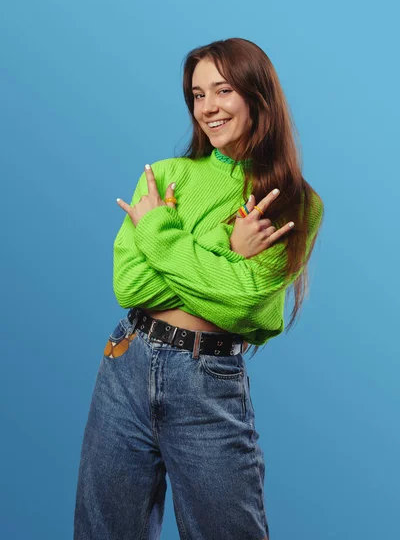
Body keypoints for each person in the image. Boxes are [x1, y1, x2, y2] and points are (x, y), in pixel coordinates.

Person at [73, 37, 324, 540]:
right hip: (126, 362)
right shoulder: (165, 175)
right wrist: (229, 247)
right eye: (196, 94)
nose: (207, 107)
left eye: (222, 90)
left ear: (258, 96)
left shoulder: (293, 202)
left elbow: (246, 302)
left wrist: (157, 232)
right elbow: (130, 284)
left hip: (208, 379)